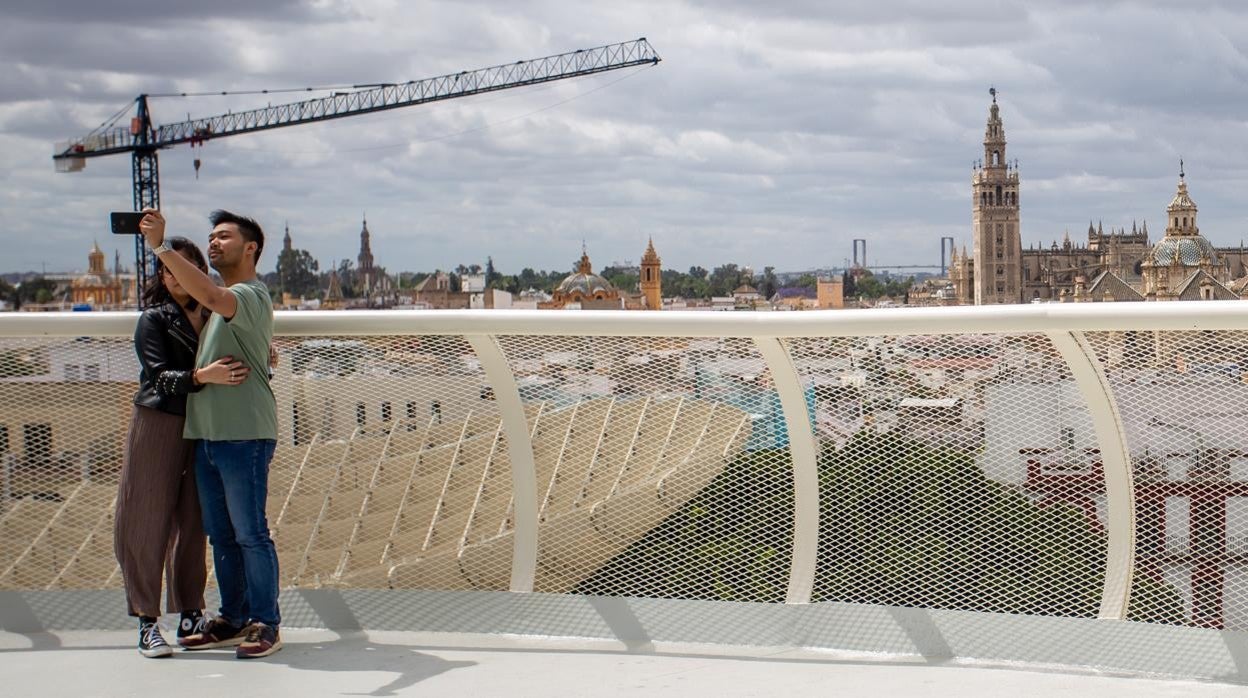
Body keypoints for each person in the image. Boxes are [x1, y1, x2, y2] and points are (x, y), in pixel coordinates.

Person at [140, 208, 282, 659]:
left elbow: (210, 292)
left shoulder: (248, 294)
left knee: (250, 533)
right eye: (211, 237)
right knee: (220, 534)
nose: (214, 244)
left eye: (224, 237)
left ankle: (266, 622)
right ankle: (234, 617)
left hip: (244, 434)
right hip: (208, 436)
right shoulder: (214, 305)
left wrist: (161, 247)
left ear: (251, 248)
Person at [115, 237, 251, 658]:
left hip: (202, 426)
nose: (175, 277)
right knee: (145, 519)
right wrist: (201, 376)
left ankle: (191, 610)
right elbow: (158, 378)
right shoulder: (153, 319)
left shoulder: (215, 313)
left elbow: (241, 346)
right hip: (159, 422)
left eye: (184, 267)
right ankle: (146, 621)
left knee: (195, 522)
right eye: (168, 270)